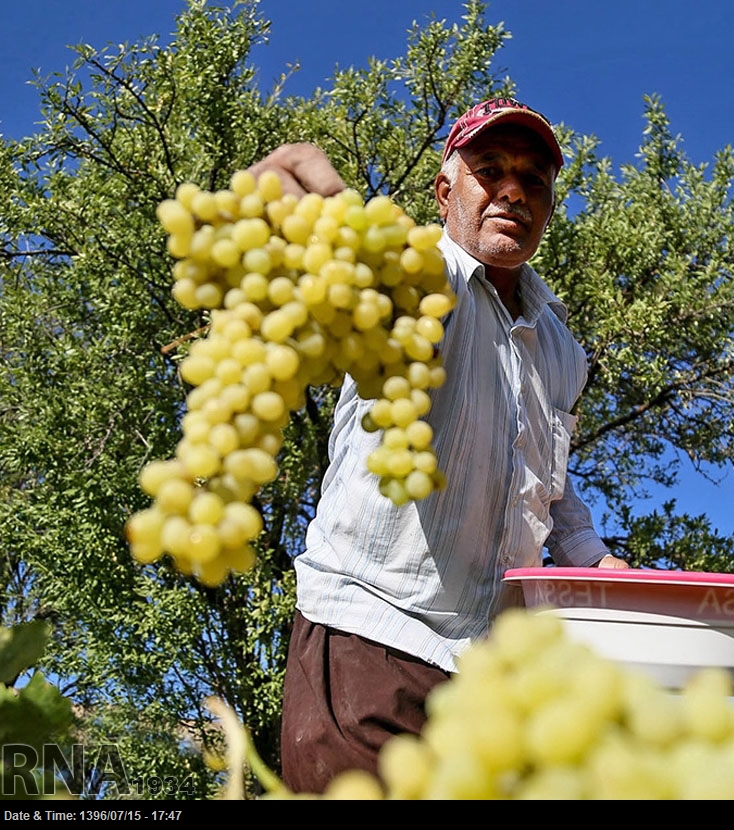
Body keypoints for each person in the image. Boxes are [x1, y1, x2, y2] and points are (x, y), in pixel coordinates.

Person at [251, 98, 629, 793]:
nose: (513, 189)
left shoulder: (557, 343)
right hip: (372, 643)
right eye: (489, 170)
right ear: (445, 190)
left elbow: (550, 477)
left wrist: (596, 561)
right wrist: (326, 226)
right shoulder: (424, 277)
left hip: (492, 678)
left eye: (533, 180)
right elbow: (378, 288)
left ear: (547, 207)